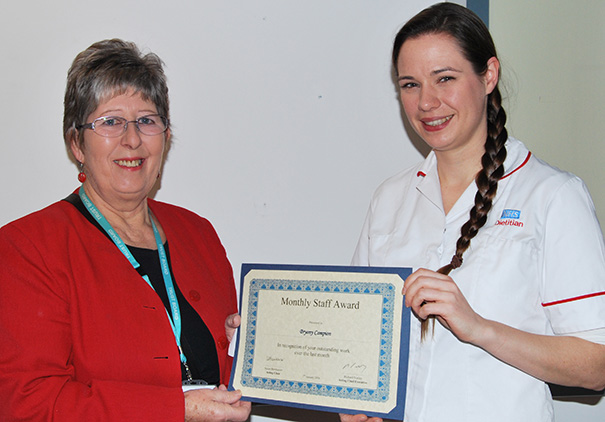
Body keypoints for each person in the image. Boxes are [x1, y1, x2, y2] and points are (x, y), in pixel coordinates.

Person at [342, 3, 605, 422]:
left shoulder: (553, 195)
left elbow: (596, 365)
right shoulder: (389, 199)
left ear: (489, 75)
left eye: (444, 78)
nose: (427, 102)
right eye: (409, 84)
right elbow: (359, 337)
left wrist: (479, 327)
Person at [0, 39, 251, 422]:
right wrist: (176, 410)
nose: (132, 139)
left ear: (165, 137)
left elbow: (219, 372)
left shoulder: (198, 233)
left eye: (147, 120)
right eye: (110, 121)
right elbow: (28, 403)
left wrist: (248, 349)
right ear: (77, 144)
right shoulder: (28, 248)